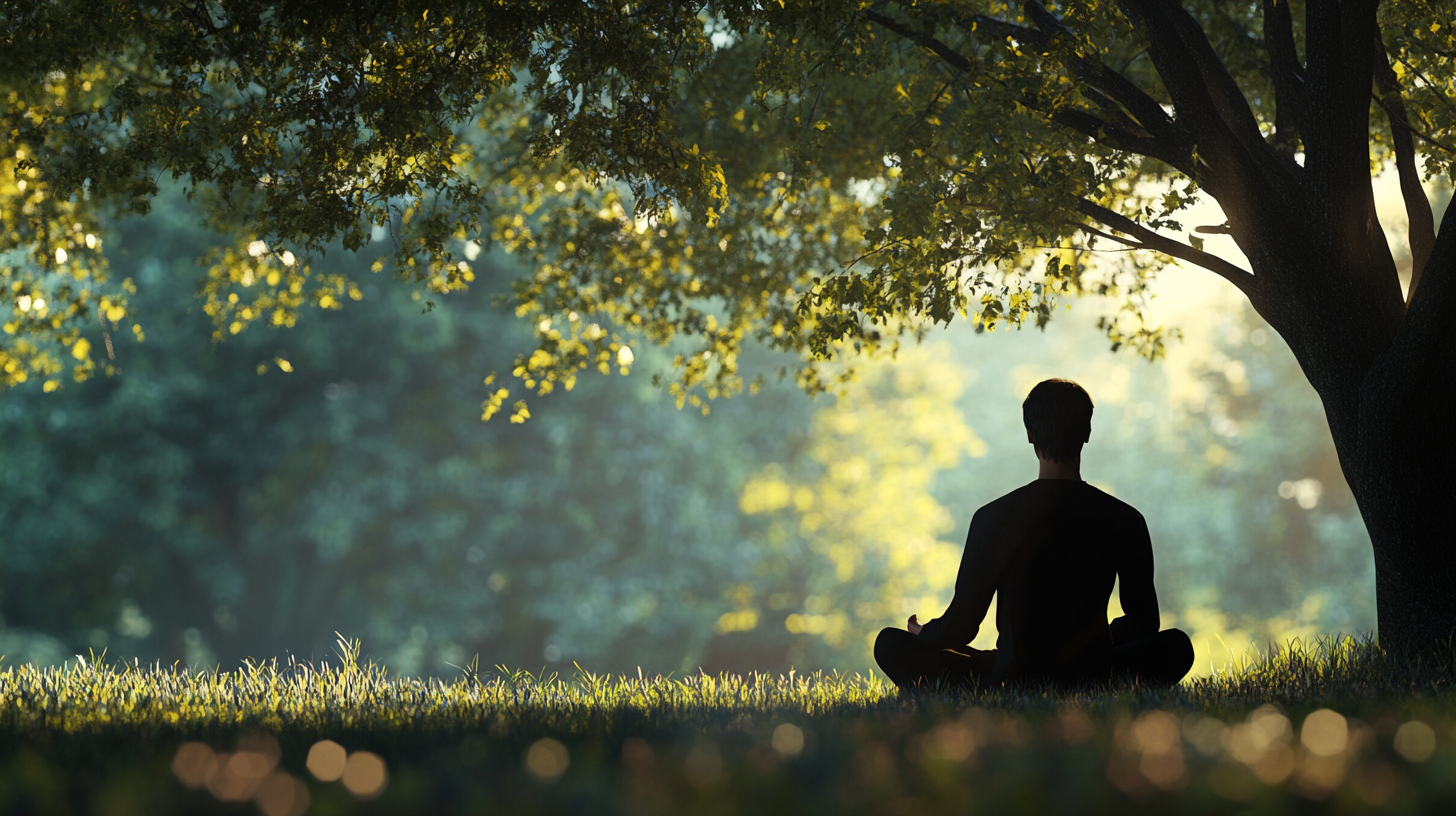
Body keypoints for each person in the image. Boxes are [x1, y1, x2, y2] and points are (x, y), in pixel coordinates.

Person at [874, 378, 1194, 690]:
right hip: (1094, 673)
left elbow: (962, 626)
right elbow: (1144, 623)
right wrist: (1095, 641)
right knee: (1176, 645)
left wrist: (925, 633)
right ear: (1087, 431)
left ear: (1029, 434)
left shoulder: (993, 517)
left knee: (889, 643)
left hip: (1012, 675)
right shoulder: (1125, 518)